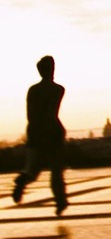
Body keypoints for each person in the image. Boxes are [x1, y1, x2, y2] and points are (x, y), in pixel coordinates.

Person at [12, 56, 68, 216]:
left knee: (32, 170)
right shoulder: (58, 89)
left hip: (34, 130)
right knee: (56, 170)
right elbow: (52, 112)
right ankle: (60, 201)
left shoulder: (33, 90)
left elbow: (30, 114)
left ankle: (23, 180)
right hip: (52, 132)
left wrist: (34, 130)